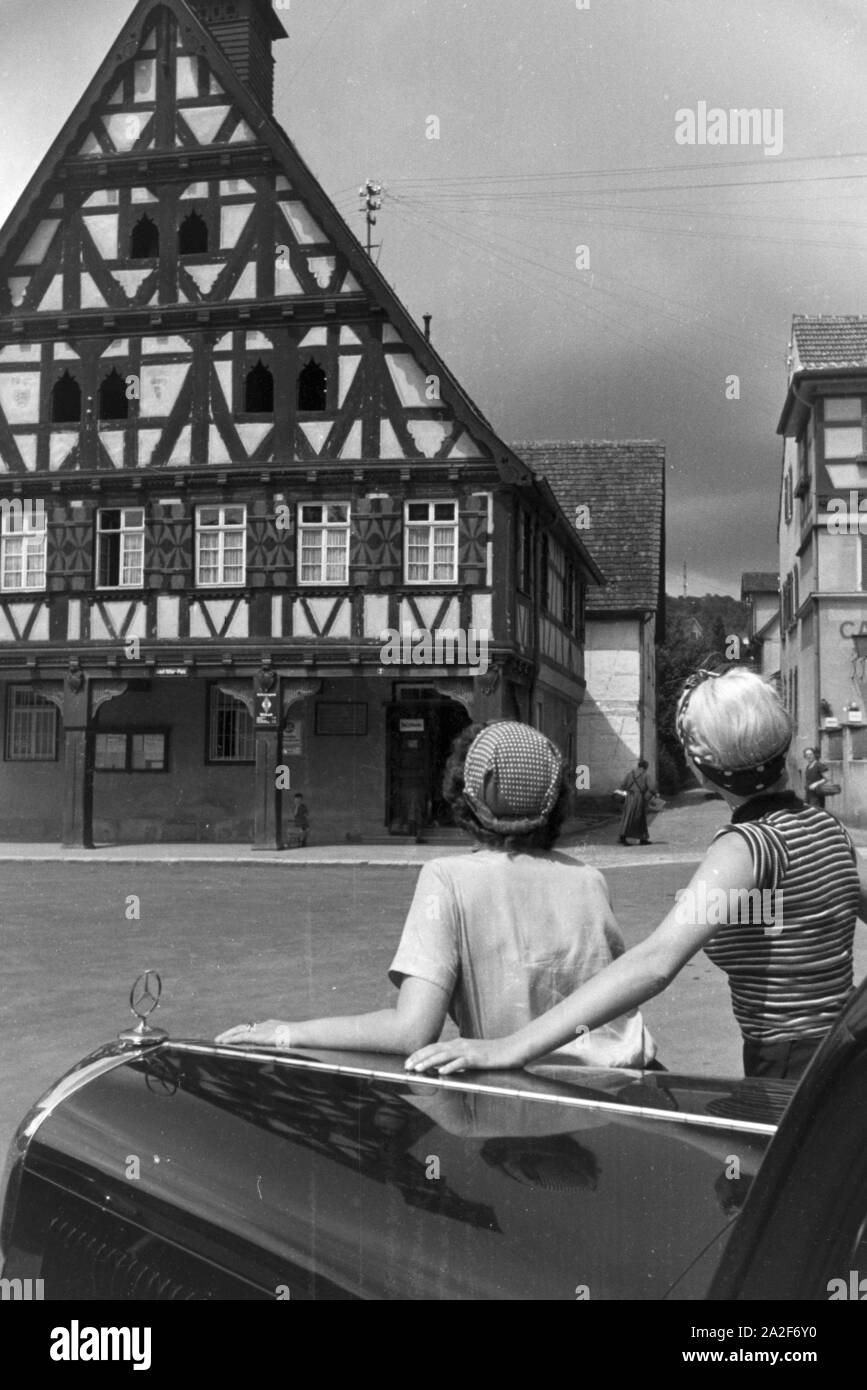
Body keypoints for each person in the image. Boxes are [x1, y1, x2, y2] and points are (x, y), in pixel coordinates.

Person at [406, 668, 867, 1083]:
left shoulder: (746, 847)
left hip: (787, 1064)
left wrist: (512, 1046)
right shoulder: (828, 828)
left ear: (700, 769)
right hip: (842, 1050)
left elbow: (656, 962)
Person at [217, 721, 656, 1068]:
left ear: (464, 795)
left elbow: (411, 1032)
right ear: (556, 799)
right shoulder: (589, 879)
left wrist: (286, 1031)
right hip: (629, 1080)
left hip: (527, 1098)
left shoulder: (447, 878)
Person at [617, 758, 656, 845]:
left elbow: (623, 785)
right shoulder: (646, 775)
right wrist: (648, 797)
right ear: (645, 767)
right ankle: (642, 839)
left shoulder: (630, 774)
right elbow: (652, 788)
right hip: (639, 798)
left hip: (629, 797)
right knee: (640, 818)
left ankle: (622, 837)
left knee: (627, 817)